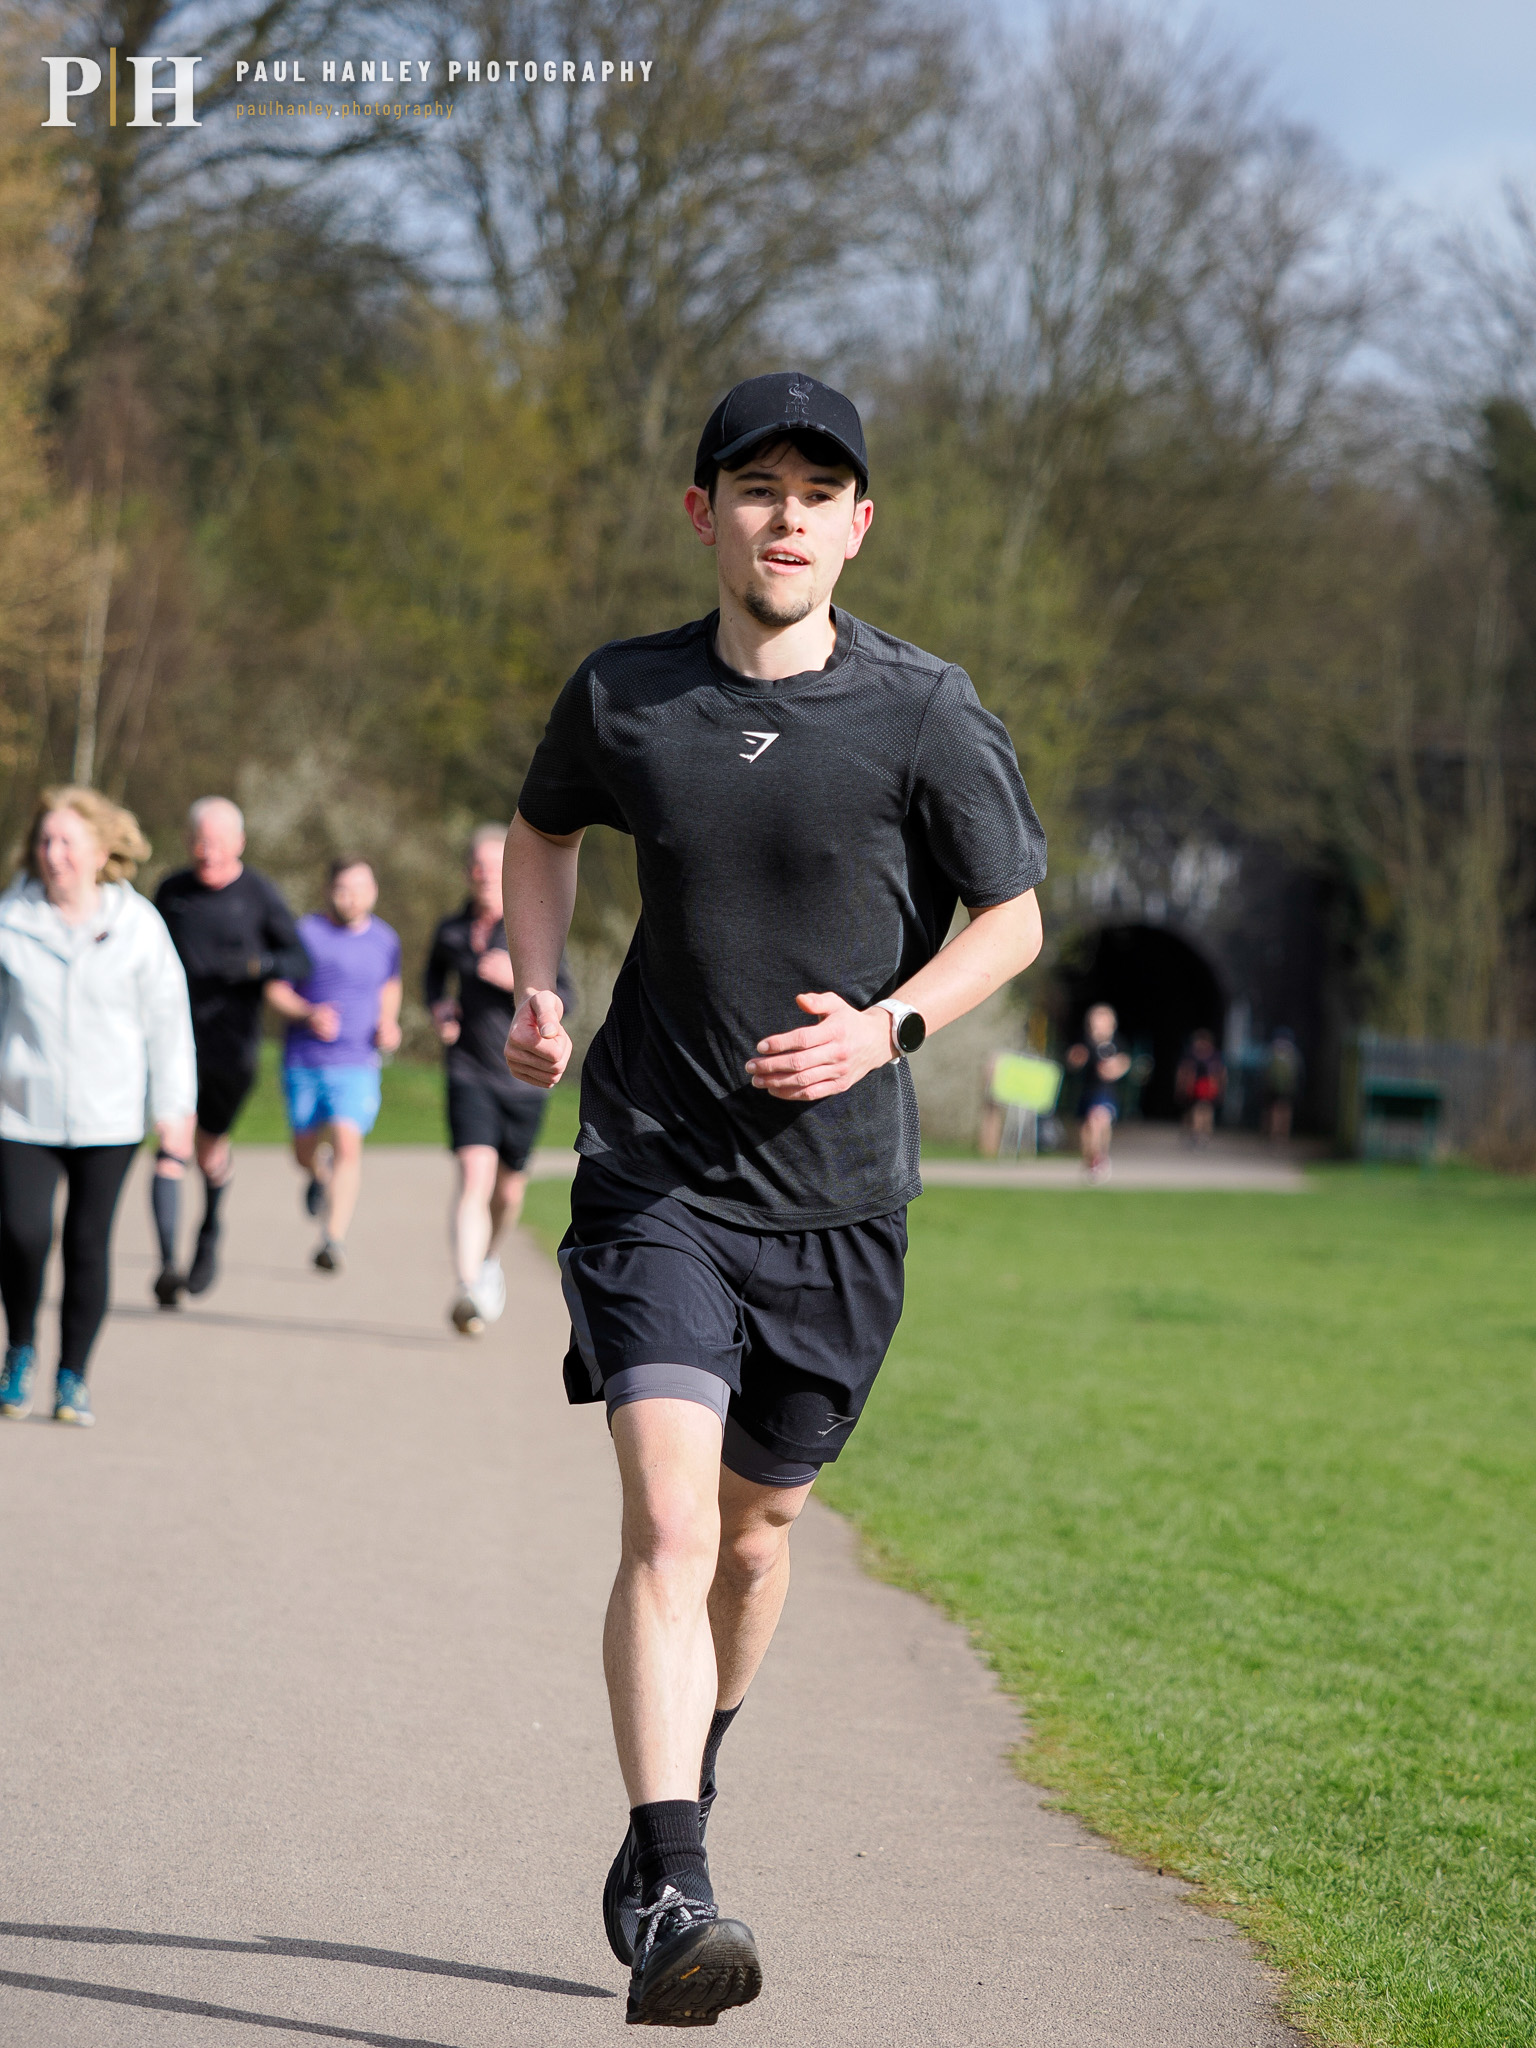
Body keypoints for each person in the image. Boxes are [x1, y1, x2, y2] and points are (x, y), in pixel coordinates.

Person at [503, 372, 1046, 2026]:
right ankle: (670, 1878)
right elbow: (539, 832)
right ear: (704, 514)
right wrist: (536, 982)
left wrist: (891, 1027)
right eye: (757, 485)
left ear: (859, 523)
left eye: (821, 487)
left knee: (757, 1535)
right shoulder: (627, 693)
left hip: (837, 1204)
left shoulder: (927, 711)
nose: (788, 512)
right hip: (655, 1168)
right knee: (669, 1518)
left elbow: (1012, 916)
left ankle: (693, 1768)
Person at [0, 788, 195, 1428]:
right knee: (23, 1234)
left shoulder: (138, 925)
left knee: (89, 1245)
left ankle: (73, 1375)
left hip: (109, 1116)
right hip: (20, 1112)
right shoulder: (10, 919)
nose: (53, 855)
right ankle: (21, 1345)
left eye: (67, 843)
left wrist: (175, 1110)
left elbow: (167, 1024)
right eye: (45, 842)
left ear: (100, 850)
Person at [153, 797, 310, 1305]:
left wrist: (252, 967)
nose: (207, 852)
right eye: (199, 841)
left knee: (208, 1149)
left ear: (239, 843)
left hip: (232, 1047)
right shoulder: (171, 892)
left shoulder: (259, 894)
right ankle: (167, 1266)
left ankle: (210, 1227)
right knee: (171, 1145)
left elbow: (298, 958)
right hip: (172, 1043)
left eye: (217, 842)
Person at [425, 825, 576, 1337]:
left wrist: (516, 978)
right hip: (468, 1071)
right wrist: (440, 1009)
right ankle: (468, 1288)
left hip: (521, 1081)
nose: (484, 874)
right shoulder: (450, 931)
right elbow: (432, 980)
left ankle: (487, 1260)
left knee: (508, 1194)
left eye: (495, 865)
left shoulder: (530, 931)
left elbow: (568, 1000)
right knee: (473, 1176)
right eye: (477, 866)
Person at [268, 858, 402, 1273]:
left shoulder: (385, 940)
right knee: (302, 1151)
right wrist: (307, 1013)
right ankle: (318, 1176)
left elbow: (390, 984)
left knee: (347, 1143)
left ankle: (333, 1239)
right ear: (328, 890)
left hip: (357, 1061)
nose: (352, 896)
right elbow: (275, 989)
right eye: (343, 887)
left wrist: (389, 1022)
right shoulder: (305, 933)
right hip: (305, 1059)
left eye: (361, 887)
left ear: (374, 891)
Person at [1065, 1002, 1131, 1184]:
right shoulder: (1085, 1042)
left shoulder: (1117, 1043)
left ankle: (1099, 1159)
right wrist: (1076, 1058)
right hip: (1088, 1091)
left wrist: (1115, 1068)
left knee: (1098, 1120)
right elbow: (1073, 1061)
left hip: (1106, 1092)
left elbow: (1124, 1062)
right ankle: (1092, 1159)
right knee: (1087, 1130)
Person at [1177, 1026, 1227, 1146]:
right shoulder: (1191, 1055)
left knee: (1206, 1110)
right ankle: (1196, 1133)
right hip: (1194, 1087)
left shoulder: (1215, 1056)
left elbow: (1222, 1073)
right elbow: (1183, 1071)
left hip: (1208, 1087)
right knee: (1196, 1110)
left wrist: (1221, 1087)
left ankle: (1203, 1133)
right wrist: (1181, 1086)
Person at [1263, 1027, 1303, 1141]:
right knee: (1284, 1110)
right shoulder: (1293, 1053)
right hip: (1286, 1087)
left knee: (1276, 1110)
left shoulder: (1272, 1052)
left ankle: (1276, 1133)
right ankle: (1281, 1134)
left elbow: (1265, 1071)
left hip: (1277, 1087)